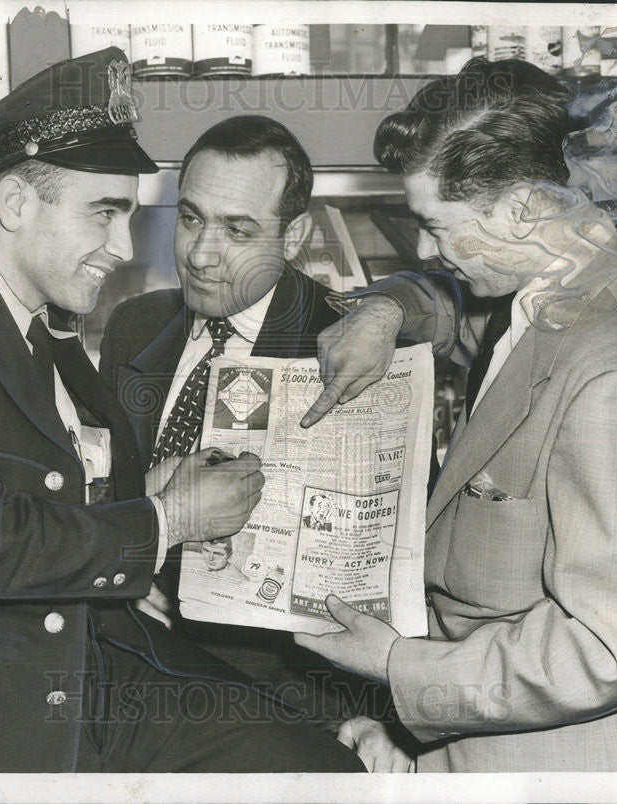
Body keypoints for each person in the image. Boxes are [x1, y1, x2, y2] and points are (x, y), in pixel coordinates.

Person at [0, 48, 363, 773]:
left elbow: (54, 499)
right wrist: (171, 519)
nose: (124, 249)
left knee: (322, 769)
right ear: (16, 203)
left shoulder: (49, 335)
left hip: (73, 675)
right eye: (105, 214)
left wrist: (150, 492)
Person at [295, 58, 617, 772]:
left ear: (524, 209)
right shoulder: (572, 275)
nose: (425, 249)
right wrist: (388, 308)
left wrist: (399, 665)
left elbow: (611, 648)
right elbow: (469, 317)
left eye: (437, 226)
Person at [98, 115, 408, 729]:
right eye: (190, 219)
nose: (202, 254)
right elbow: (103, 489)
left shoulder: (347, 347)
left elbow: (388, 570)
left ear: (292, 237)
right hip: (135, 681)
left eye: (238, 230)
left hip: (287, 708)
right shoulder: (134, 325)